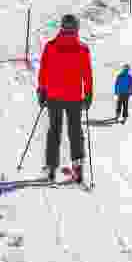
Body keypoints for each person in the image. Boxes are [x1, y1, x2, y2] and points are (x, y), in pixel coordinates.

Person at [37, 14, 93, 183]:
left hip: (54, 96)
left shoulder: (50, 46)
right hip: (74, 97)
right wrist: (88, 94)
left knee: (54, 130)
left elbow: (43, 71)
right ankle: (77, 167)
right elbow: (87, 75)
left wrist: (42, 90)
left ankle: (51, 168)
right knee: (75, 130)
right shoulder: (82, 49)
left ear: (62, 27)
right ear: (76, 28)